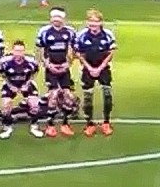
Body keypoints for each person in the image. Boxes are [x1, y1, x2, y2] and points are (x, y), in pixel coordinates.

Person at [72, 8, 117, 137]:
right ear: (87, 23)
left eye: (96, 22)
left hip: (104, 69)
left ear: (101, 22)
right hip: (87, 69)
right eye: (91, 22)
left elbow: (111, 52)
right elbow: (79, 53)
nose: (93, 25)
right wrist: (90, 68)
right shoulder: (82, 35)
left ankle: (106, 122)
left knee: (107, 95)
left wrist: (100, 68)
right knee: (88, 97)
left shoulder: (107, 34)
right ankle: (89, 124)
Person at [35, 7, 77, 137]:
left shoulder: (70, 32)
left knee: (68, 97)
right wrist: (48, 65)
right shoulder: (44, 32)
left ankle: (65, 124)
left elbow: (73, 49)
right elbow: (40, 51)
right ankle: (50, 125)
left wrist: (68, 64)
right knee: (53, 96)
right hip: (51, 69)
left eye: (58, 18)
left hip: (64, 69)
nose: (56, 20)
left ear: (63, 19)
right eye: (54, 17)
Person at [0, 40, 45, 139]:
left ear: (24, 51)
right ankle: (7, 127)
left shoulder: (31, 61)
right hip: (11, 84)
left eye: (21, 51)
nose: (19, 53)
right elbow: (2, 74)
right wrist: (10, 86)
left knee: (35, 105)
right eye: (17, 51)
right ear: (13, 51)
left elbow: (35, 72)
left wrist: (27, 83)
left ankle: (34, 126)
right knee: (6, 105)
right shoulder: (5, 62)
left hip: (26, 83)